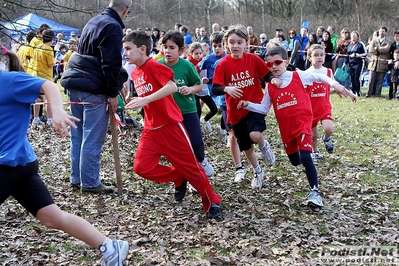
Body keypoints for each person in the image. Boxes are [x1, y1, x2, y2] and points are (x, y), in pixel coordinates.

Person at [0, 45, 128, 265]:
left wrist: (58, 111)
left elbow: (48, 85)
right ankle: (110, 246)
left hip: (10, 164)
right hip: (21, 163)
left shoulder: (9, 81)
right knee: (52, 217)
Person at [237, 46, 353, 210]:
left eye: (277, 62)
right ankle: (302, 162)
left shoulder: (299, 76)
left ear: (286, 61)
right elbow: (264, 109)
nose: (274, 67)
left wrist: (337, 85)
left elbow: (320, 76)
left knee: (306, 156)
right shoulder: (270, 86)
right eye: (269, 64)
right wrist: (248, 105)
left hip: (303, 124)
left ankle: (315, 193)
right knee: (295, 160)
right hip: (286, 130)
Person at [122, 30, 221, 218]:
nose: (125, 53)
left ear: (143, 49)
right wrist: (133, 99)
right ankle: (177, 175)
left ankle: (212, 200)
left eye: (128, 49)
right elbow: (147, 96)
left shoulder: (154, 66)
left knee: (192, 168)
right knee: (141, 167)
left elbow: (171, 87)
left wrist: (145, 100)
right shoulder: (135, 73)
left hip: (170, 126)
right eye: (124, 49)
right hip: (151, 129)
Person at [61, 0, 132, 193]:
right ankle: (90, 182)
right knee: (92, 136)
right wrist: (112, 92)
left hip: (75, 83)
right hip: (92, 87)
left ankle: (77, 177)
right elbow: (111, 63)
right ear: (125, 10)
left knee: (79, 136)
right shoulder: (113, 26)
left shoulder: (93, 21)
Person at [212, 24, 275, 189]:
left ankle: (264, 145)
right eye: (232, 42)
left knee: (255, 135)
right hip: (235, 112)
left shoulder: (253, 59)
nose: (235, 46)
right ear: (226, 44)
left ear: (246, 43)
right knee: (246, 147)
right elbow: (215, 87)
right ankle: (257, 171)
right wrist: (227, 88)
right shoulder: (223, 64)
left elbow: (266, 74)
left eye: (239, 42)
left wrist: (273, 80)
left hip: (254, 106)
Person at [158, 30, 214, 177]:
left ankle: (201, 160)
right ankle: (183, 172)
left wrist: (189, 89)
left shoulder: (187, 66)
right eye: (165, 47)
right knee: (177, 146)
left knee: (196, 142)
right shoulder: (157, 65)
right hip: (168, 113)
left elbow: (198, 85)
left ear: (181, 50)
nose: (167, 51)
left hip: (188, 110)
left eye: (172, 47)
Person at [306, 44, 357, 162]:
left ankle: (327, 138)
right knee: (313, 136)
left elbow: (336, 85)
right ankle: (315, 151)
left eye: (321, 55)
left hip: (324, 107)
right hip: (311, 110)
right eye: (316, 55)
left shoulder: (328, 71)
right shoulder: (307, 74)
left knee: (329, 129)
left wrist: (350, 93)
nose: (319, 57)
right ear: (309, 58)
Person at [187, 42, 217, 133]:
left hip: (203, 90)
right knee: (198, 111)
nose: (198, 55)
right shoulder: (188, 63)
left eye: (200, 53)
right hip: (194, 90)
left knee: (214, 109)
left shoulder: (204, 62)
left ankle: (204, 120)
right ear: (191, 53)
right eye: (196, 53)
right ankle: (196, 130)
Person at [31, 29, 55, 126]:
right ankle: (50, 120)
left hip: (36, 75)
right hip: (46, 77)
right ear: (52, 39)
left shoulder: (37, 47)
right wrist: (55, 63)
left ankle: (35, 118)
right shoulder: (48, 49)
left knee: (37, 98)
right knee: (48, 99)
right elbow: (50, 64)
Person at [366, 26, 392, 98]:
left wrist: (376, 48)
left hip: (382, 64)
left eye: (383, 31)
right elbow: (370, 49)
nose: (381, 32)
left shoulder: (389, 41)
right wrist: (377, 51)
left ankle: (377, 94)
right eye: (380, 31)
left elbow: (386, 49)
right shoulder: (374, 40)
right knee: (371, 80)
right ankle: (368, 94)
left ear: (385, 32)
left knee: (379, 81)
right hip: (373, 63)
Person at [345, 31, 367, 96]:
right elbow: (347, 54)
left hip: (358, 63)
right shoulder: (349, 45)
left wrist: (356, 55)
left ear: (357, 37)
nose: (353, 37)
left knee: (357, 78)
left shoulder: (360, 44)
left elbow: (365, 53)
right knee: (352, 77)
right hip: (351, 63)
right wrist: (346, 62)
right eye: (352, 36)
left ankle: (358, 92)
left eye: (355, 36)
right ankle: (353, 91)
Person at [389, 31, 399, 99]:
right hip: (393, 63)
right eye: (395, 36)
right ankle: (391, 96)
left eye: (398, 36)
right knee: (392, 81)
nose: (396, 37)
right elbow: (390, 54)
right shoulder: (392, 44)